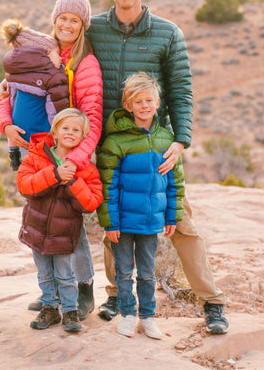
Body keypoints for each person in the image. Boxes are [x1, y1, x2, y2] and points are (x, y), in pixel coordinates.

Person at [85, 0, 229, 334]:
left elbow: (181, 91)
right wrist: (10, 85)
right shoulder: (94, 29)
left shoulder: (167, 32)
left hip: (156, 148)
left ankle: (212, 303)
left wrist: (180, 141)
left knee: (181, 222)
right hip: (112, 146)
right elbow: (63, 62)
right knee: (114, 217)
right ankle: (117, 296)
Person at [0, 0, 103, 320]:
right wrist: (6, 124)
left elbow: (93, 116)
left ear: (83, 25)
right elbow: (10, 92)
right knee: (44, 214)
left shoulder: (85, 64)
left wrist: (75, 159)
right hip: (40, 150)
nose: (67, 25)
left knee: (70, 222)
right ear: (54, 20)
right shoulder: (39, 54)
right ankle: (53, 294)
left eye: (75, 20)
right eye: (62, 18)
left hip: (73, 151)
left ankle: (83, 287)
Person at [97, 72, 185, 339]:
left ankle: (147, 317)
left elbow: (175, 184)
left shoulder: (166, 140)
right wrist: (109, 222)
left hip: (150, 222)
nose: (144, 106)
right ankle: (126, 315)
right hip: (122, 222)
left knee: (147, 274)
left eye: (149, 100)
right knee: (123, 272)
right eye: (138, 102)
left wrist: (172, 217)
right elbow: (107, 185)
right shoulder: (115, 141)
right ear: (128, 105)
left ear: (157, 103)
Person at [16, 108, 103, 333]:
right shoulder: (36, 156)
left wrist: (73, 181)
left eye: (76, 130)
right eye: (65, 128)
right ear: (55, 131)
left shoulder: (85, 168)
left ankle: (71, 311)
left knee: (65, 274)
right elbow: (24, 185)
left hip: (65, 233)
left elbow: (92, 202)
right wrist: (54, 175)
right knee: (44, 273)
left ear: (84, 138)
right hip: (37, 228)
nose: (70, 133)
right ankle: (50, 309)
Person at [0, 17, 69, 171]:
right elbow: (55, 109)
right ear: (42, 56)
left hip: (20, 140)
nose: (60, 56)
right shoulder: (52, 75)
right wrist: (58, 140)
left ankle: (13, 154)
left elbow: (10, 102)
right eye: (56, 52)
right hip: (42, 140)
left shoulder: (16, 74)